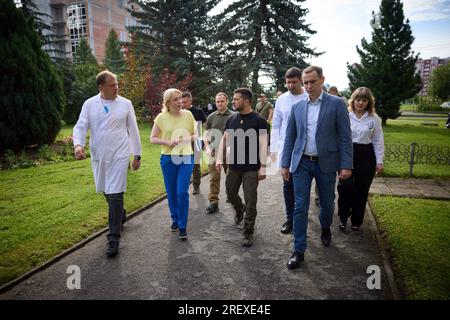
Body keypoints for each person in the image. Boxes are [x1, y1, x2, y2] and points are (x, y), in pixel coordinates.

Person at [281, 66, 353, 269]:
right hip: (302, 162)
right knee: (300, 205)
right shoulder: (297, 107)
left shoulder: (337, 104)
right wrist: (285, 163)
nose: (309, 86)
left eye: (313, 81)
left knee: (328, 204)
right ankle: (299, 250)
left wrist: (346, 164)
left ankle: (325, 227)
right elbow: (290, 138)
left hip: (326, 163)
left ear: (322, 80)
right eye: (306, 82)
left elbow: (345, 137)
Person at [73, 70, 142, 258]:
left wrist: (137, 155)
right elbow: (81, 126)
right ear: (101, 87)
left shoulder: (125, 104)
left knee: (116, 195)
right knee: (107, 191)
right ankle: (120, 214)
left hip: (119, 155)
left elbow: (134, 130)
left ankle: (113, 238)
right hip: (100, 156)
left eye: (117, 84)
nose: (116, 88)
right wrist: (78, 145)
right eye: (112, 85)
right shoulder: (89, 104)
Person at [216, 88, 268, 247]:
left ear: (246, 101)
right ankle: (240, 209)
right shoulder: (232, 119)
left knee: (251, 200)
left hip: (251, 167)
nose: (233, 102)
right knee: (230, 194)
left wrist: (264, 167)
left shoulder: (259, 120)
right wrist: (219, 158)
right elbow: (224, 140)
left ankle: (248, 232)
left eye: (236, 99)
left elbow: (264, 144)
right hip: (234, 165)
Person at [151, 88, 197, 240]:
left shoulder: (188, 114)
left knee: (181, 192)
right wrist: (168, 142)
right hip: (168, 158)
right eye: (175, 100)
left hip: (186, 157)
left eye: (180, 99)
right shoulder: (161, 118)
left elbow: (197, 134)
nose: (179, 102)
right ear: (168, 103)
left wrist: (185, 139)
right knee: (171, 192)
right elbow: (153, 138)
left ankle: (183, 226)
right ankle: (175, 219)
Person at [337, 87, 384, 231]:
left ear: (369, 102)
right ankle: (343, 217)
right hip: (348, 153)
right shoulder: (346, 115)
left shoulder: (374, 119)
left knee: (361, 189)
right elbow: (338, 137)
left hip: (366, 155)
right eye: (358, 99)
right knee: (345, 188)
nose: (360, 103)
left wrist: (379, 161)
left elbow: (378, 140)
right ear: (353, 100)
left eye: (364, 100)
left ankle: (357, 220)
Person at [270, 67, 308, 234]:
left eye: (294, 82)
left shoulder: (309, 96)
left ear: (301, 80)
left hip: (306, 147)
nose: (291, 85)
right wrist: (274, 149)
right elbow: (276, 125)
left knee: (303, 185)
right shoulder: (282, 100)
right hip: (286, 146)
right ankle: (290, 218)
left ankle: (302, 214)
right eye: (288, 83)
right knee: (287, 184)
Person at [204, 92, 234, 214]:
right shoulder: (211, 117)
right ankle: (213, 202)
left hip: (230, 151)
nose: (220, 104)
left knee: (231, 177)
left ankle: (231, 196)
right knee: (214, 178)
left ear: (227, 102)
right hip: (214, 151)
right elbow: (206, 134)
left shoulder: (234, 115)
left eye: (222, 101)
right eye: (217, 101)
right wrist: (207, 147)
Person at [181, 92, 207, 195]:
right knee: (184, 164)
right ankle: (184, 186)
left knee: (196, 165)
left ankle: (196, 186)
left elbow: (206, 126)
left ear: (190, 101)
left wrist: (205, 140)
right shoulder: (180, 112)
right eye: (181, 102)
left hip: (196, 141)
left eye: (185, 102)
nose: (183, 104)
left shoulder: (198, 112)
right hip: (183, 142)